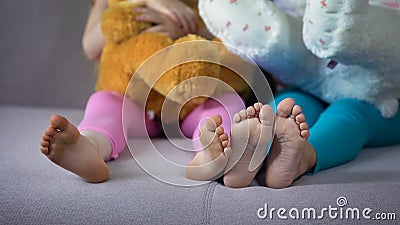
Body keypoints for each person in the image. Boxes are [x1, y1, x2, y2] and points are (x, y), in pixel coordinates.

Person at [39, 0, 247, 183]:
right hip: (138, 107)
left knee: (227, 102)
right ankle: (90, 145)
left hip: (193, 103)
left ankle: (210, 153)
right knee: (105, 101)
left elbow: (232, 40)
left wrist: (183, 28)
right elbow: (90, 46)